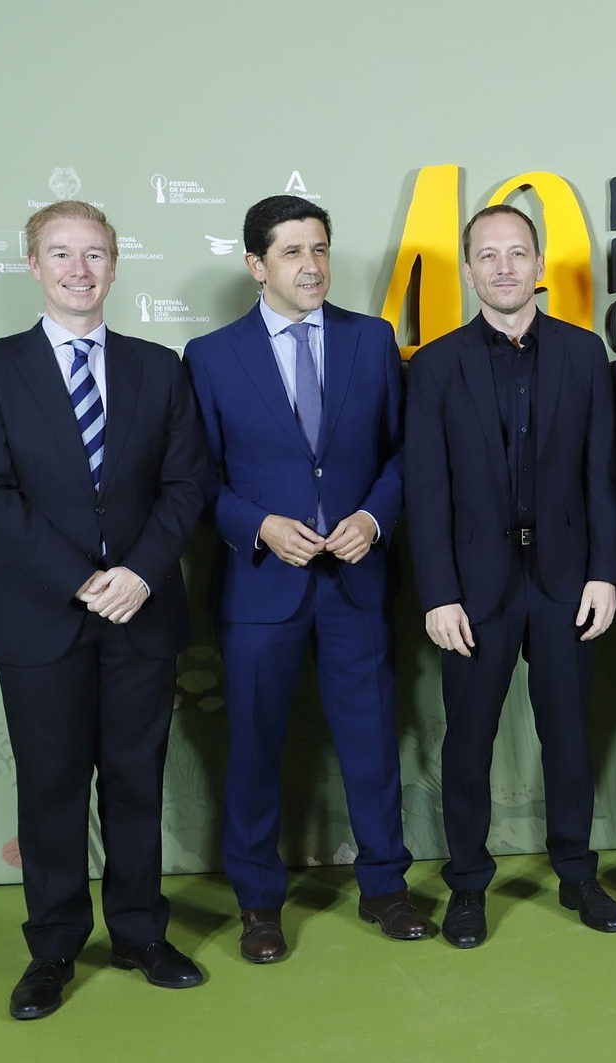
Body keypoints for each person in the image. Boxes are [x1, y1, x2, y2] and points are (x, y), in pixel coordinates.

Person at [0, 201, 207, 1019]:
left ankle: (140, 932)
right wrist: (82, 579)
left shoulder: (160, 367)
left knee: (136, 782)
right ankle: (54, 948)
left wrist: (138, 572)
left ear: (114, 263)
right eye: (60, 253)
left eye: (94, 253)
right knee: (51, 787)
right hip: (39, 615)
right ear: (34, 265)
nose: (78, 269)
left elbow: (185, 484)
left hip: (142, 610)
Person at [185, 195, 422, 962]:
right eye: (291, 252)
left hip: (356, 580)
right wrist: (259, 525)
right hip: (261, 584)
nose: (311, 265)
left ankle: (386, 886)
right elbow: (198, 479)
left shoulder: (372, 339)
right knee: (254, 747)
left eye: (319, 248)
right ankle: (258, 903)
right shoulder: (211, 357)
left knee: (372, 741)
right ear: (257, 265)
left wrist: (374, 518)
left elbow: (402, 454)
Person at [405, 205, 616, 948]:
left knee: (569, 736)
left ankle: (577, 872)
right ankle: (467, 883)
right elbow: (425, 491)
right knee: (468, 741)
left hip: (566, 580)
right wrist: (438, 592)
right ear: (470, 271)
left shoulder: (584, 354)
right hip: (473, 589)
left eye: (517, 252)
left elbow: (602, 476)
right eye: (488, 255)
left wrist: (604, 573)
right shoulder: (435, 365)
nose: (504, 267)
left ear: (539, 264)